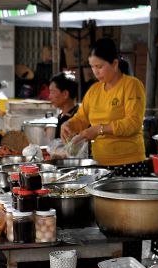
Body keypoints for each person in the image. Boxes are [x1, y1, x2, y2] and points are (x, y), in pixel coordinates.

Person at [60, 38, 147, 175]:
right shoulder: (94, 90)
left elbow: (133, 123)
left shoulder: (131, 85)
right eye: (92, 67)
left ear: (115, 64)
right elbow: (81, 118)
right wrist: (69, 125)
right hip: (99, 163)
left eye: (99, 67)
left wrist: (99, 129)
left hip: (128, 163)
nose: (95, 72)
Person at [48, 72, 78, 139]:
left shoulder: (77, 119)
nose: (49, 97)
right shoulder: (62, 116)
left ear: (65, 94)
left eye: (52, 92)